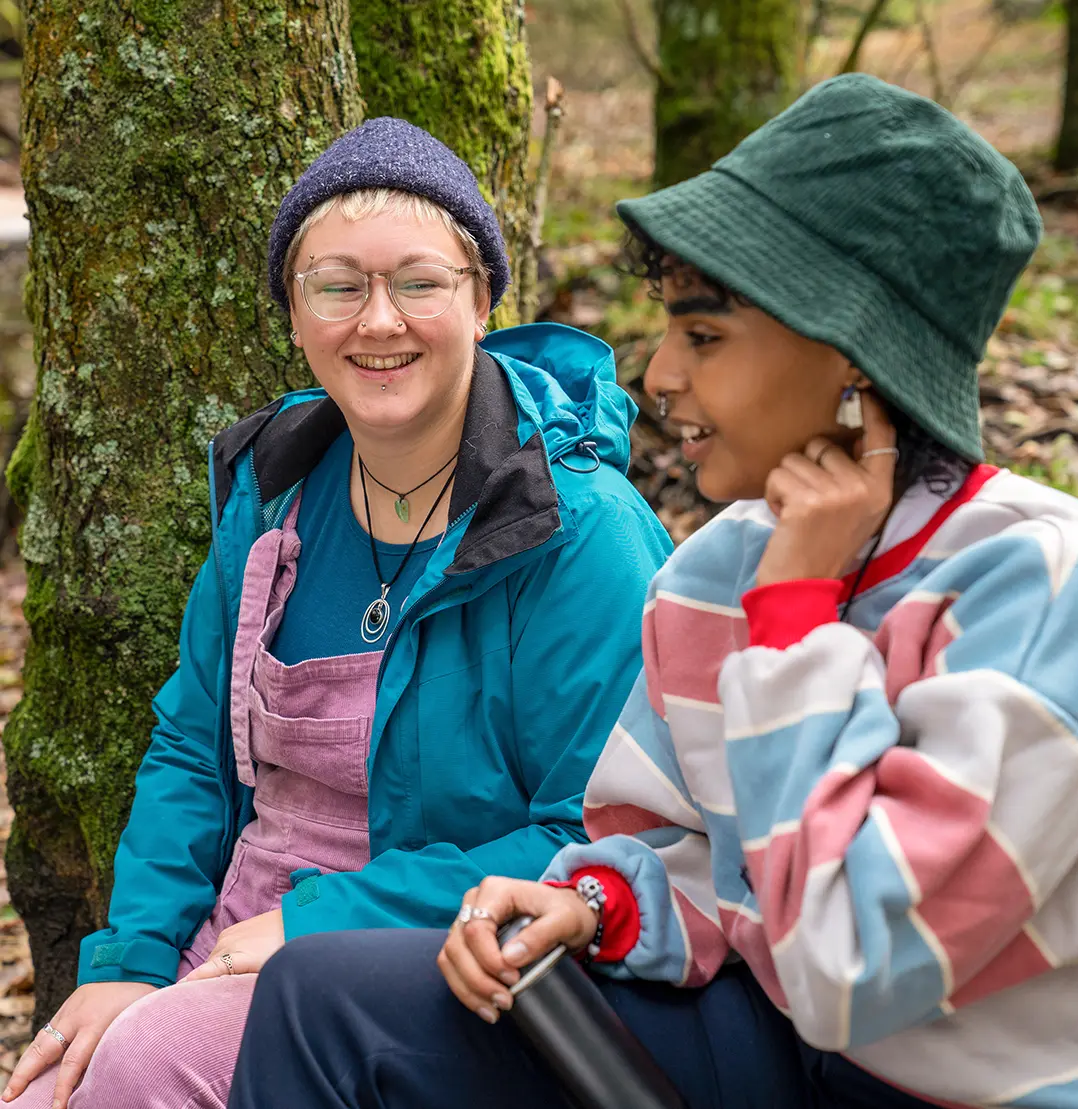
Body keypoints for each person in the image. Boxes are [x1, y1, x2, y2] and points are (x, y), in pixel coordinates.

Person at [227, 75, 1078, 1109]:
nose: (659, 373)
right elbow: (695, 851)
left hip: (948, 1082)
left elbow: (854, 961)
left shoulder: (1032, 586)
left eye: (706, 336)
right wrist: (594, 901)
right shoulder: (720, 565)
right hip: (769, 1035)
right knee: (324, 999)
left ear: (855, 357)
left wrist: (796, 615)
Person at [4, 119, 671, 1109]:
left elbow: (609, 836)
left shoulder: (579, 533)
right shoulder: (273, 491)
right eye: (338, 284)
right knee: (57, 1080)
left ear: (482, 297)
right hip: (236, 929)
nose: (379, 320)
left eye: (419, 280)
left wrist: (319, 920)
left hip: (444, 966)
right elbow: (193, 750)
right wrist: (132, 960)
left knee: (140, 1072)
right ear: (294, 310)